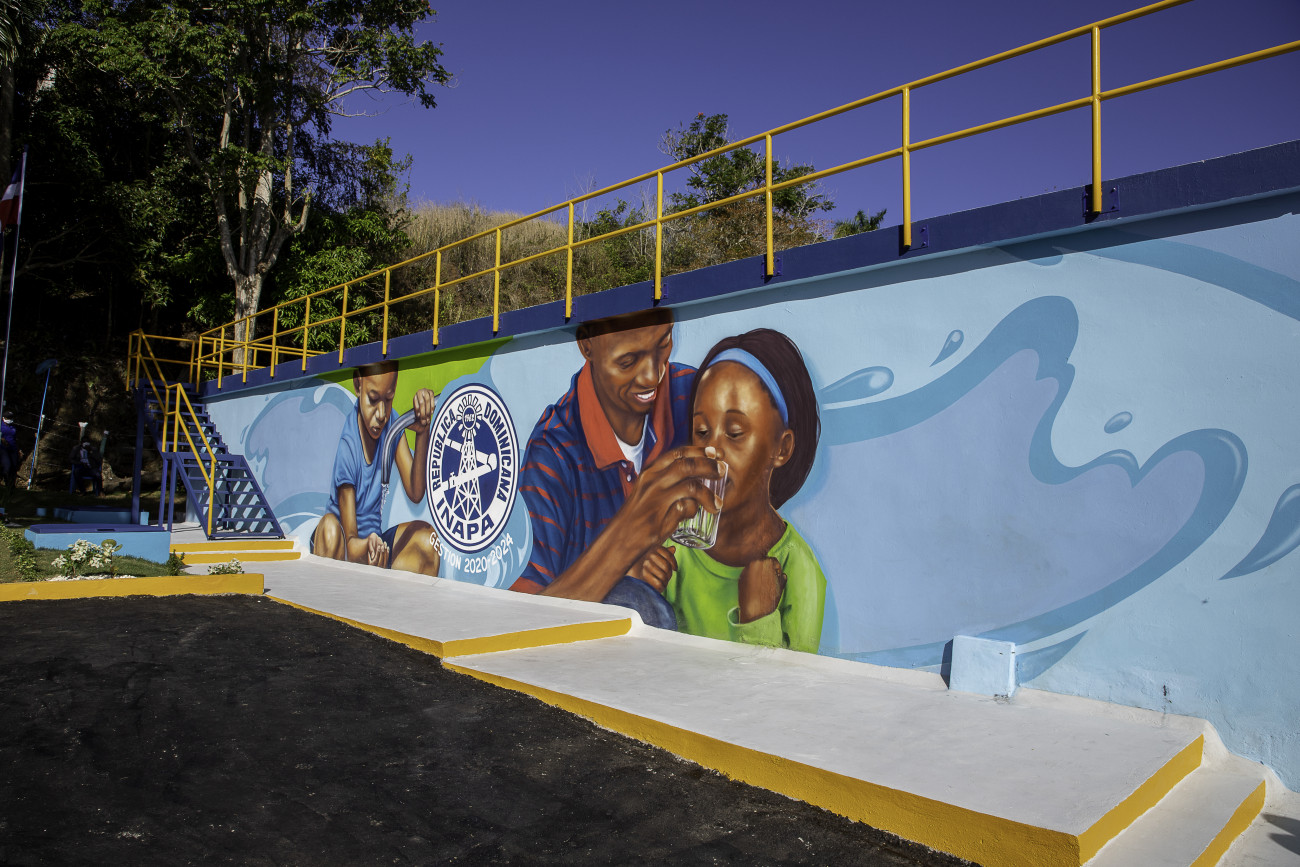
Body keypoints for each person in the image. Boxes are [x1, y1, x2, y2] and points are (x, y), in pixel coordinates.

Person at [510, 308, 724, 623]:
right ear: (587, 345)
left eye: (663, 344)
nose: (652, 376)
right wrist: (622, 551)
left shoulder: (693, 399)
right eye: (628, 361)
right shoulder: (554, 452)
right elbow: (523, 621)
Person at [633, 329, 826, 652]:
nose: (711, 450)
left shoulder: (798, 569)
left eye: (735, 433)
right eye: (701, 431)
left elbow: (793, 683)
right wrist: (641, 590)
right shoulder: (675, 551)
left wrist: (759, 619)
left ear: (781, 448)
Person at [312, 360, 441, 576]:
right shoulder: (349, 446)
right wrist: (368, 545)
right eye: (373, 400)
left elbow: (416, 492)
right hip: (346, 547)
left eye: (388, 399)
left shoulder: (391, 424)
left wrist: (422, 432)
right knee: (329, 529)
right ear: (358, 385)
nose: (381, 413)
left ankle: (401, 597)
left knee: (427, 539)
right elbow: (351, 543)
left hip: (375, 544)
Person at [0, 414, 19, 491]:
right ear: (3, 418)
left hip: (13, 449)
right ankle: (6, 482)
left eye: (11, 418)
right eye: (8, 418)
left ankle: (11, 485)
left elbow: (15, 438)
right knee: (7, 465)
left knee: (14, 467)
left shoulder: (13, 427)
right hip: (3, 449)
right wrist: (1, 439)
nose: (10, 420)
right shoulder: (1, 426)